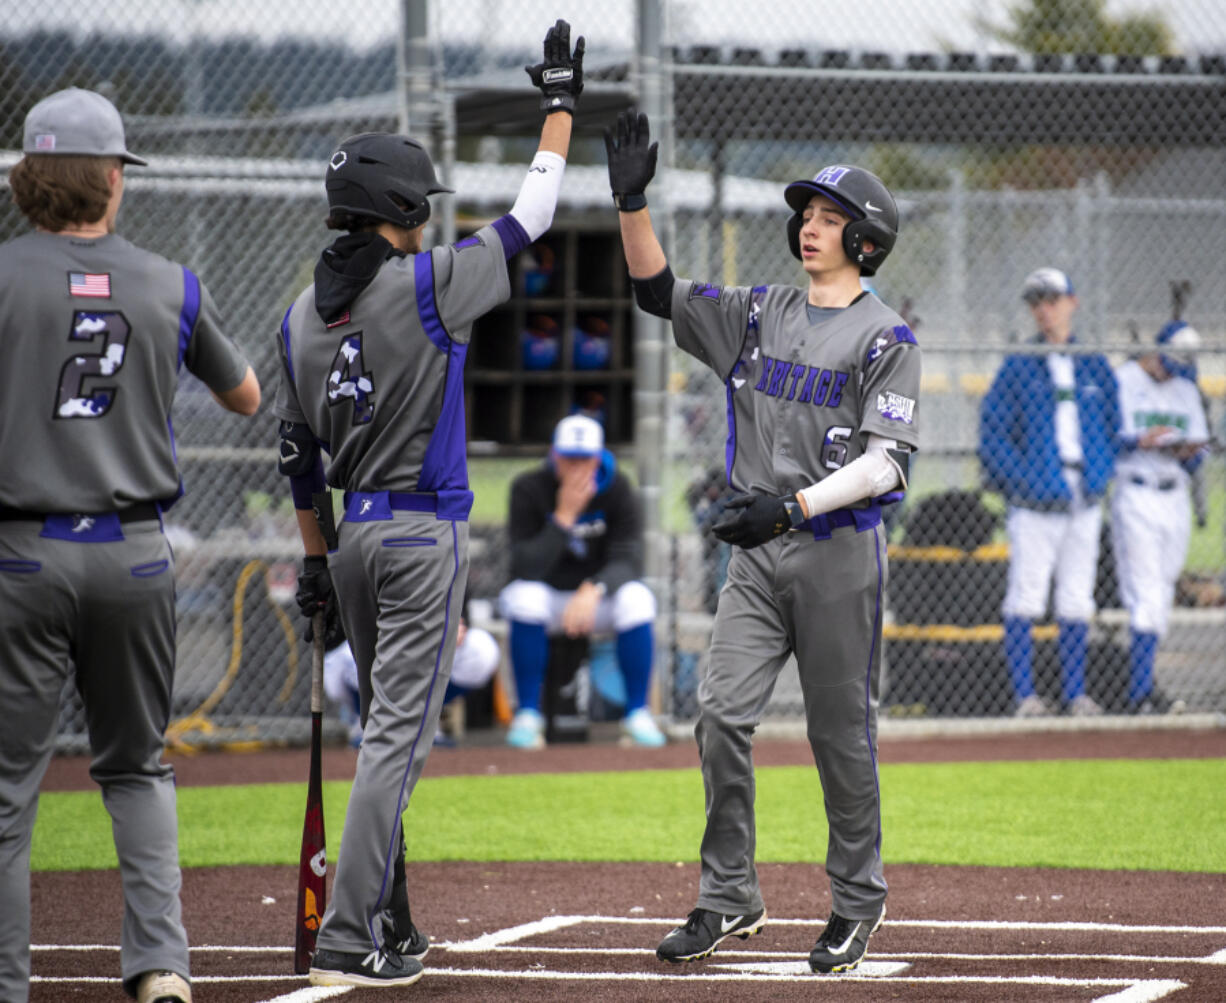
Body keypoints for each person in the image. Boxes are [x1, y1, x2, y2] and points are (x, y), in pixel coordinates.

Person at [271, 19, 584, 989]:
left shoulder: (294, 316)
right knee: (394, 746)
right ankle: (347, 934)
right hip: (420, 535)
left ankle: (393, 922)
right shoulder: (427, 284)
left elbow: (295, 456)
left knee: (383, 737)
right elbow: (531, 213)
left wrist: (315, 559)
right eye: (418, 206)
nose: (427, 219)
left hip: (353, 537)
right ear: (395, 208)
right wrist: (559, 109)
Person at [605, 111, 919, 973]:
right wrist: (632, 201)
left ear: (865, 235)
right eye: (806, 213)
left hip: (835, 552)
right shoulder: (758, 312)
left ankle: (858, 900)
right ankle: (729, 893)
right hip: (757, 554)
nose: (808, 226)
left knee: (838, 736)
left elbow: (888, 465)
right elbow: (657, 291)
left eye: (825, 215)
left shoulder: (885, 335)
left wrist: (792, 509)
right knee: (718, 713)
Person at [0, 88, 260, 1003]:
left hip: (20, 554)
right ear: (112, 178)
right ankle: (161, 969)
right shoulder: (169, 281)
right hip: (136, 552)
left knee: (5, 791)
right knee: (137, 767)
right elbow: (246, 398)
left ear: (29, 178)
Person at [978, 267, 1120, 718]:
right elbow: (994, 435)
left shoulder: (1093, 364)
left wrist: (1099, 473)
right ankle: (1026, 697)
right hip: (1035, 501)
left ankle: (1075, 694)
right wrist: (1023, 480)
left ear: (1072, 303)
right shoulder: (1018, 367)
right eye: (1037, 302)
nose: (1045, 310)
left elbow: (1113, 426)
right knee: (1027, 595)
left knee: (1078, 597)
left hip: (1084, 495)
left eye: (1053, 299)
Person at [499, 414, 665, 749]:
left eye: (584, 459)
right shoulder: (529, 488)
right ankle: (528, 715)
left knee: (637, 598)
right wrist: (564, 516)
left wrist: (594, 589)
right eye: (568, 459)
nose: (577, 468)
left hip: (595, 600)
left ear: (598, 456)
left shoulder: (617, 488)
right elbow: (525, 566)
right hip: (550, 599)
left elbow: (628, 560)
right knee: (522, 596)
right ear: (554, 456)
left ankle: (637, 713)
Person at [1110, 320, 1207, 714]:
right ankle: (1139, 694)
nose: (1173, 370)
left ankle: (1146, 689)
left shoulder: (1185, 387)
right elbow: (1106, 435)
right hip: (1136, 489)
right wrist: (1140, 440)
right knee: (1146, 593)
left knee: (1163, 592)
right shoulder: (1124, 380)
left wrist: (1187, 450)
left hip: (1175, 494)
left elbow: (1199, 449)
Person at [325, 611, 502, 747]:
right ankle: (371, 724)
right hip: (376, 640)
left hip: (429, 638)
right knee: (358, 655)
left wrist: (454, 626)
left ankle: (423, 721)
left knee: (482, 649)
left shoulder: (444, 563)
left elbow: (459, 603)